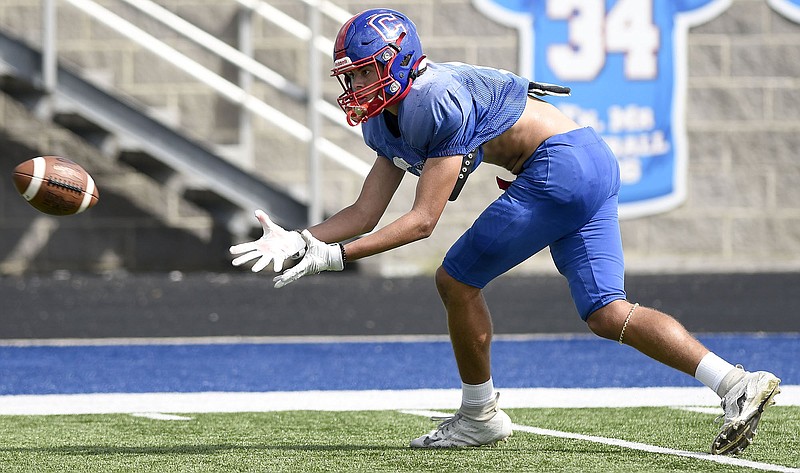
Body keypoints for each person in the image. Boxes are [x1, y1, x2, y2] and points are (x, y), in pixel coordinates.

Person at [229, 8, 780, 454]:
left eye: (366, 71)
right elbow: (366, 209)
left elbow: (422, 221)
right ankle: (734, 383)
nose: (356, 84)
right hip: (586, 159)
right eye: (350, 75)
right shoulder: (391, 115)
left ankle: (480, 413)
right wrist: (305, 238)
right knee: (607, 311)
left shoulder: (431, 98)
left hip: (561, 165)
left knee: (456, 281)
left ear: (398, 62)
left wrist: (336, 257)